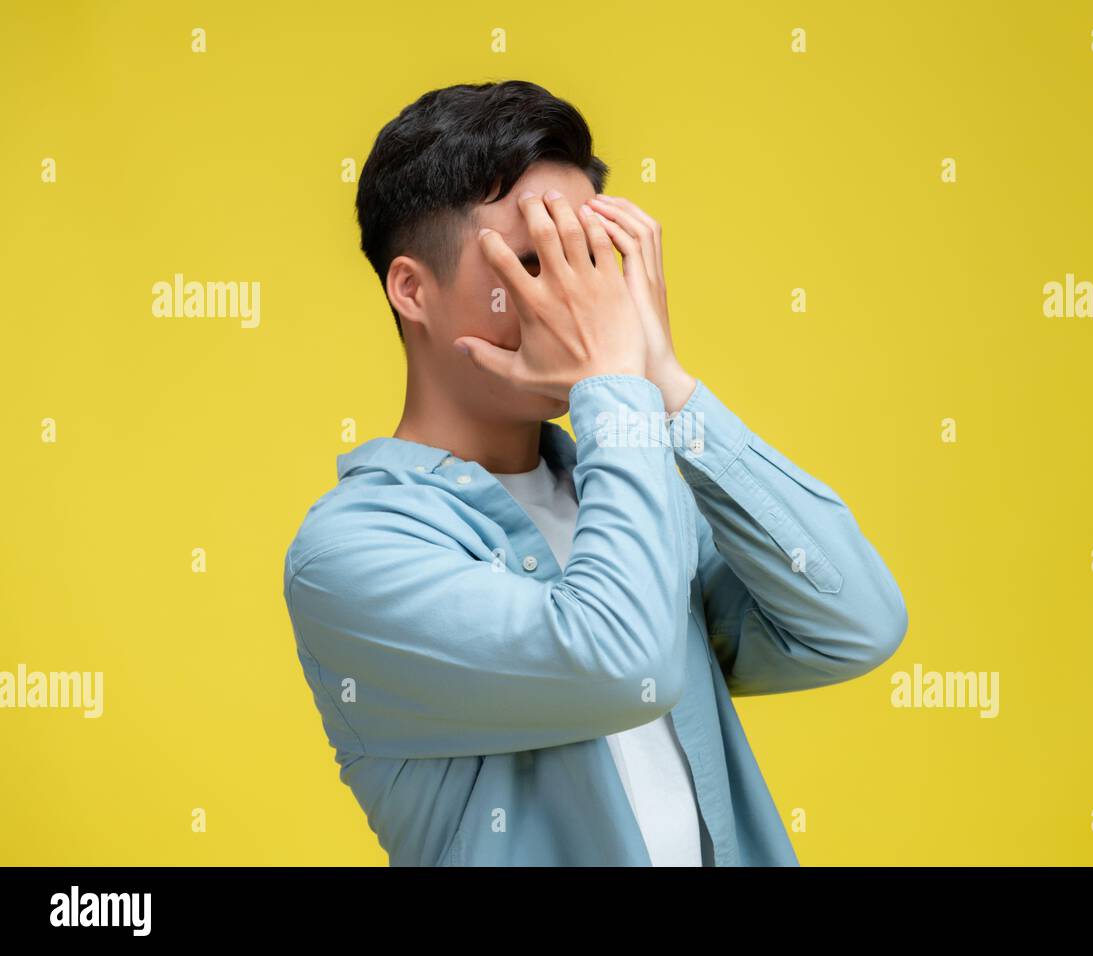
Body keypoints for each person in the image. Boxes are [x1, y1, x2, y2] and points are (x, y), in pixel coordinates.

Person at [282, 80, 909, 866]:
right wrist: (616, 387)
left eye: (590, 260)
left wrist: (666, 381)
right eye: (535, 263)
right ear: (413, 289)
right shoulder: (351, 553)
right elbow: (620, 662)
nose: (578, 303)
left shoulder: (623, 490)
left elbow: (853, 623)